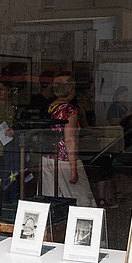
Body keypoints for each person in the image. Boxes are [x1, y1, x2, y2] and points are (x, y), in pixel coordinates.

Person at [41, 72, 97, 207]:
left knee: (53, 200)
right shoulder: (69, 110)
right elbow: (70, 139)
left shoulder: (49, 107)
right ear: (71, 90)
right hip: (65, 159)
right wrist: (74, 168)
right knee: (82, 199)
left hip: (48, 158)